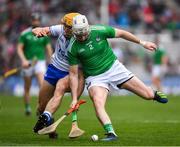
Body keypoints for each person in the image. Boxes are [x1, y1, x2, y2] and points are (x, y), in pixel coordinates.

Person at [68, 15, 168, 141]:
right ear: (74, 32)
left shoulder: (99, 30)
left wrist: (143, 43)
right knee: (98, 103)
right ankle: (111, 133)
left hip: (114, 69)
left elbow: (121, 33)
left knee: (147, 95)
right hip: (95, 77)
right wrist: (74, 98)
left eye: (84, 34)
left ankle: (153, 93)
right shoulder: (72, 47)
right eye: (79, 35)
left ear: (88, 28)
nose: (82, 37)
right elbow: (73, 74)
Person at [32, 13, 85, 138]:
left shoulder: (80, 41)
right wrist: (39, 31)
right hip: (53, 69)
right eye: (65, 26)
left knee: (60, 88)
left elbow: (81, 75)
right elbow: (39, 30)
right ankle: (51, 127)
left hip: (69, 73)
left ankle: (47, 117)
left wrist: (76, 97)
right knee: (41, 107)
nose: (66, 29)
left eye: (70, 27)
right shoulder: (61, 29)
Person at [17, 13, 53, 116]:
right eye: (34, 20)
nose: (36, 22)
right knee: (27, 86)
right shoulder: (25, 34)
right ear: (31, 21)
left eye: (37, 20)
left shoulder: (44, 33)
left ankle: (40, 107)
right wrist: (23, 60)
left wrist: (51, 60)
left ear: (40, 21)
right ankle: (27, 107)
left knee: (42, 85)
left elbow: (48, 48)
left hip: (40, 62)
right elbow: (19, 48)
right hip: (27, 62)